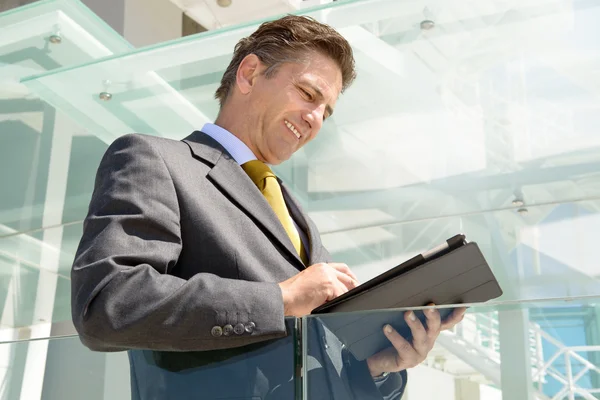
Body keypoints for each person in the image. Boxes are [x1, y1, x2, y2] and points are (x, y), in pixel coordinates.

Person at [71, 15, 465, 399]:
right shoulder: (154, 159)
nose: (315, 120)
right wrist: (280, 299)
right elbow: (108, 303)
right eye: (309, 95)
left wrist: (377, 367)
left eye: (325, 111)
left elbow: (309, 361)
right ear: (249, 73)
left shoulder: (297, 218)